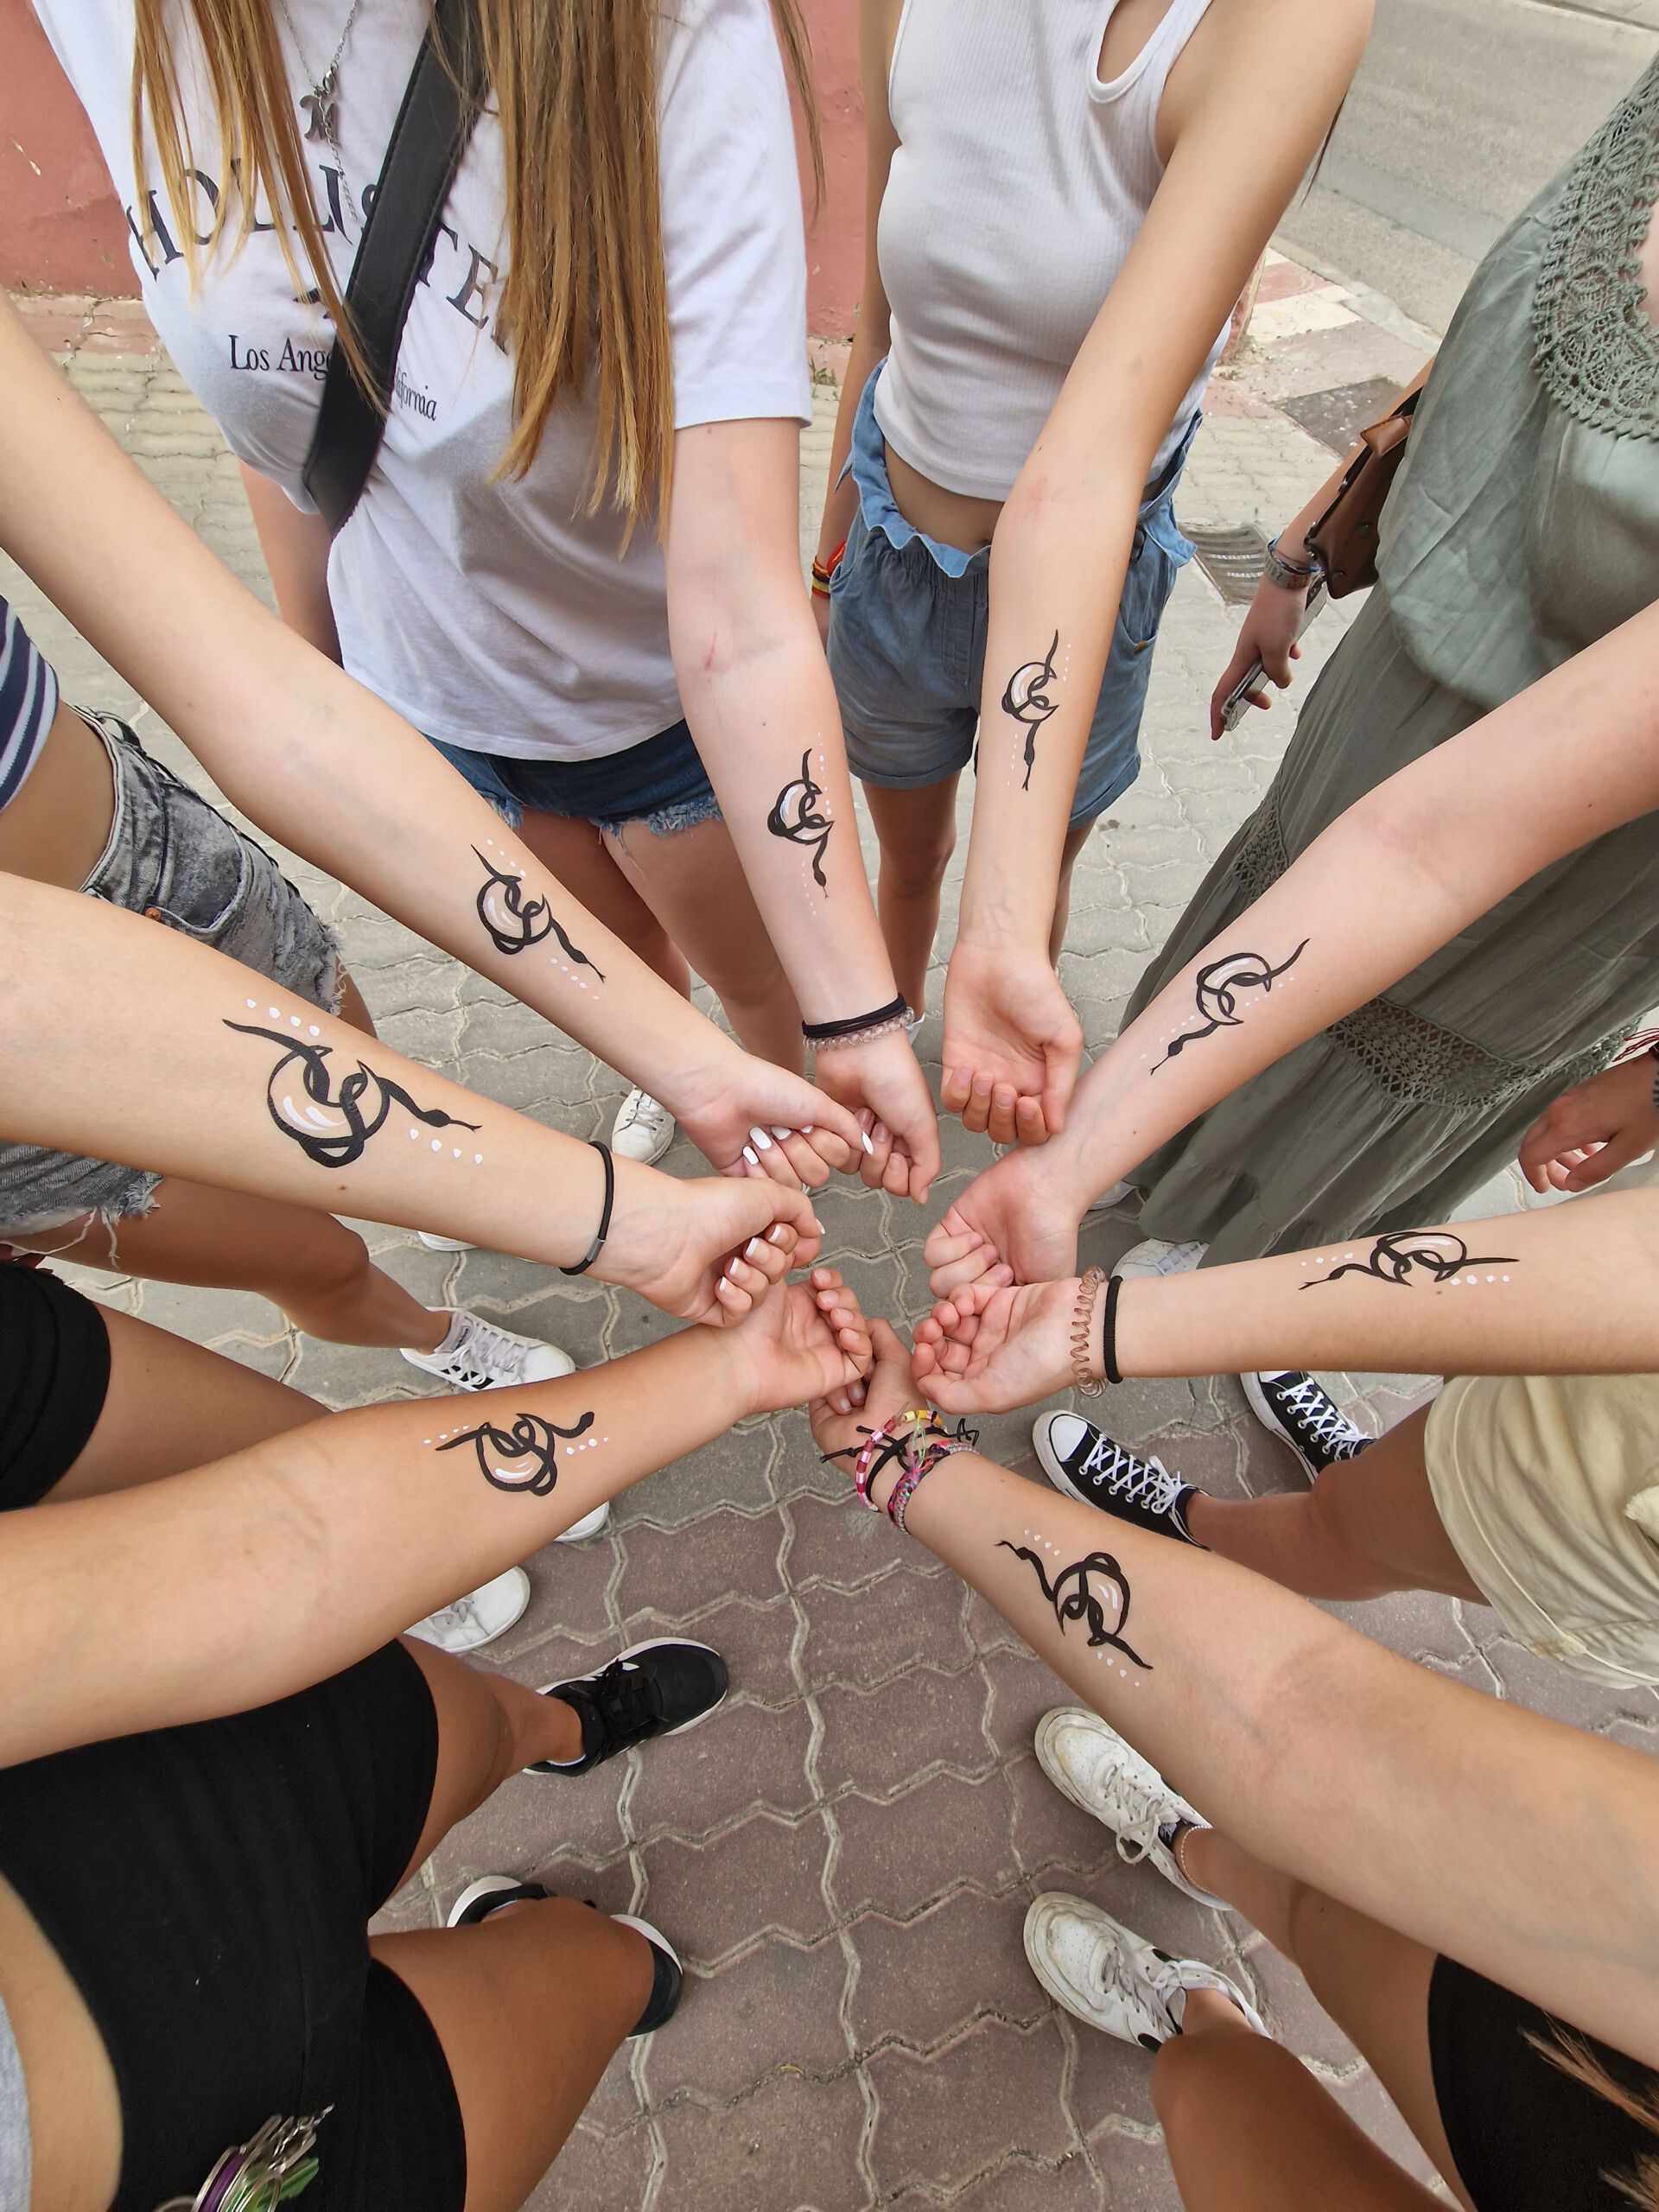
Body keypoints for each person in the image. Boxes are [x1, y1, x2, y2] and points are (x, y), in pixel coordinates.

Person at [30, 0, 940, 1196]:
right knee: (631, 973)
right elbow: (279, 425)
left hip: (663, 712)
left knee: (761, 987)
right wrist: (334, 697)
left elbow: (743, 617)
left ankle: (776, 1154)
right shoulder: (111, 22)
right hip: (433, 714)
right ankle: (690, 1078)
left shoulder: (669, 37)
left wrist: (858, 1019)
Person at [0, 285, 880, 1384]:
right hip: (446, 720)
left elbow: (272, 711)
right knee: (316, 1238)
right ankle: (598, 1147)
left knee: (366, 1051)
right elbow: (276, 484)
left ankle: (661, 1098)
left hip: (191, 830)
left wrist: (783, 1047)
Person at [0, 1245, 870, 2212]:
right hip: (262, 2180)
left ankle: (567, 1730)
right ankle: (531, 1906)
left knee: (478, 1726)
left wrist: (726, 1369)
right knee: (619, 1972)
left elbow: (294, 1535)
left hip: (142, 1833)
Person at [810, 1317, 1659, 2211]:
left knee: (1208, 2095)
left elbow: (1292, 1712)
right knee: (1329, 1903)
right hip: (1599, 2076)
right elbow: (1293, 1714)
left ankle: (1192, 2012)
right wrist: (919, 1457)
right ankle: (1191, 1844)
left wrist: (913, 1460)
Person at [1100, 54, 1659, 1273]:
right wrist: (1302, 549)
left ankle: (1239, 1297)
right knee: (1275, 922)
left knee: (1366, 1081)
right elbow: (1486, 344)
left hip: (1585, 857)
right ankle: (1144, 1203)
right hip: (1400, 683)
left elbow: (1429, 848)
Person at [813, 0, 1368, 1148]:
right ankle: (890, 1040)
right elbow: (877, 319)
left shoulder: (1282, 20)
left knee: (1033, 873)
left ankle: (996, 1031)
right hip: (894, 548)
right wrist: (825, 557)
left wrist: (1004, 931)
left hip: (1090, 578)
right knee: (909, 860)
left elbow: (1081, 469)